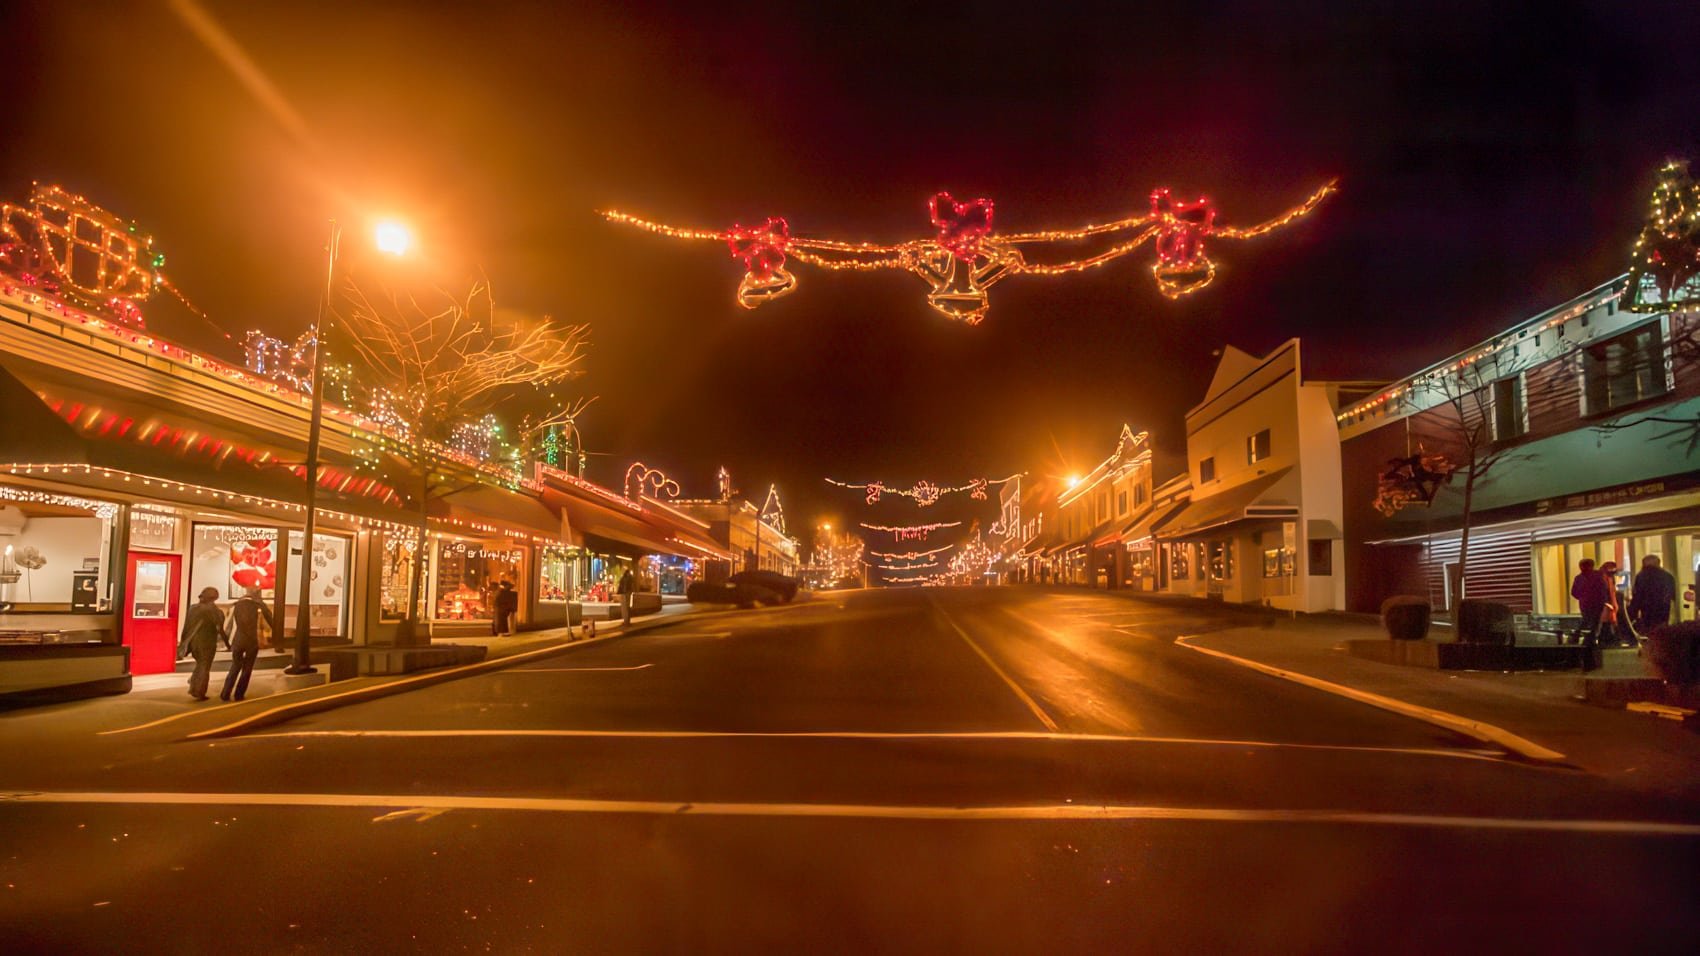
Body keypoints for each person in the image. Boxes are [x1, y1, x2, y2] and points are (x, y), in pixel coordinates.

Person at [221, 586, 274, 702]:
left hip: (238, 639)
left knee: (235, 666)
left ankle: (225, 693)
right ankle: (239, 694)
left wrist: (226, 642)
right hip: (252, 640)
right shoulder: (258, 606)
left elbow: (228, 626)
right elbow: (270, 620)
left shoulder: (235, 605)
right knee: (247, 669)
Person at [177, 586, 227, 701]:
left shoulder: (192, 608)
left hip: (194, 642)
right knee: (205, 667)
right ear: (214, 598)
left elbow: (186, 627)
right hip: (207, 642)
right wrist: (228, 644)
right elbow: (220, 628)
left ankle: (194, 682)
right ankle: (199, 690)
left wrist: (183, 642)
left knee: (200, 665)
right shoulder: (214, 611)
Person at [1629, 555, 1677, 635]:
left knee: (1649, 630)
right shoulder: (1667, 576)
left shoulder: (1641, 576)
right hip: (1663, 608)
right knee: (1662, 629)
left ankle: (1651, 644)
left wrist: (1633, 612)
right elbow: (1672, 593)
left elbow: (1637, 595)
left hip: (1647, 609)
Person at [1570, 558, 1609, 650]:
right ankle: (1588, 640)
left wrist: (1582, 597)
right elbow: (1603, 590)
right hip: (1596, 603)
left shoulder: (1579, 578)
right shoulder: (1598, 576)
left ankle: (1578, 637)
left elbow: (1574, 592)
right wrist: (1603, 600)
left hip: (1585, 604)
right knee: (1594, 622)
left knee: (1586, 620)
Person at [1598, 561, 1634, 648]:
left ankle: (1609, 639)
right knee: (1607, 622)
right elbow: (1607, 591)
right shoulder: (1604, 578)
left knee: (1610, 621)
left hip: (1610, 603)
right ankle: (1608, 639)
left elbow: (1612, 591)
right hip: (1607, 603)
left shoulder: (1609, 578)